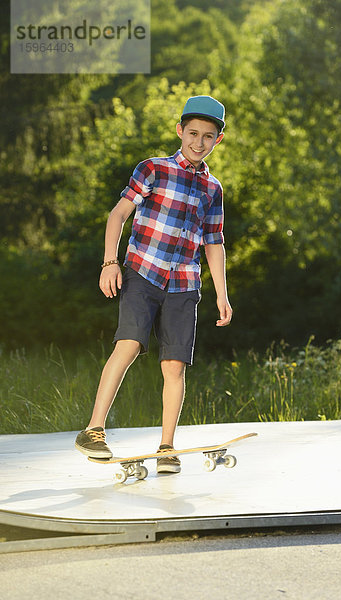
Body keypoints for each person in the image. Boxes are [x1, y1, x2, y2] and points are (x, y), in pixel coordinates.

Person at [75, 95, 232, 473]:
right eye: (192, 133)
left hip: (184, 284)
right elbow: (118, 215)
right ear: (180, 131)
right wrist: (110, 262)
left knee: (174, 366)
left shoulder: (213, 189)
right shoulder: (153, 170)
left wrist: (222, 296)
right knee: (128, 345)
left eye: (207, 136)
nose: (198, 142)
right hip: (143, 273)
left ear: (217, 141)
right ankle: (94, 430)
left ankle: (166, 447)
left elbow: (214, 242)